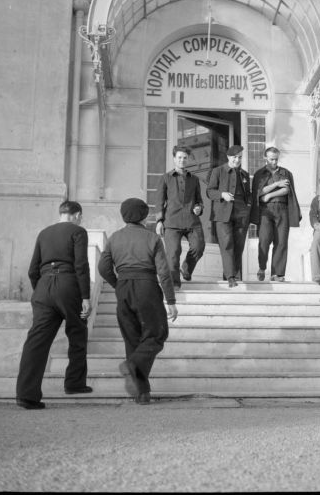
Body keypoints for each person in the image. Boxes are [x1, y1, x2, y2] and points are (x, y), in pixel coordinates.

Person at [98, 198, 178, 405]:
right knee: (158, 333)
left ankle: (142, 394)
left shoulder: (115, 238)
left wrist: (118, 285)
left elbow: (103, 268)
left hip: (124, 286)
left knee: (132, 339)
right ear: (143, 216)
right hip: (147, 286)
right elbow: (163, 271)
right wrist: (170, 300)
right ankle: (133, 365)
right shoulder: (152, 238)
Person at [16, 201, 92, 410]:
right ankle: (74, 383)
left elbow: (33, 269)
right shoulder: (78, 231)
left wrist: (41, 288)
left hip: (43, 287)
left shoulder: (44, 233)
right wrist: (85, 296)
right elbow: (81, 265)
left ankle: (26, 395)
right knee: (77, 333)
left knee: (36, 341)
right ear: (76, 215)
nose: (80, 220)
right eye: (80, 217)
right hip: (68, 285)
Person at [154, 145, 205, 291]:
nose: (182, 160)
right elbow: (158, 201)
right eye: (179, 157)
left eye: (185, 158)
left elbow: (199, 200)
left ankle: (186, 269)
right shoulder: (165, 178)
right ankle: (174, 283)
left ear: (188, 159)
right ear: (174, 159)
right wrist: (159, 221)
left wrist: (199, 208)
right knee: (173, 253)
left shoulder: (194, 179)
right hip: (172, 221)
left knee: (199, 247)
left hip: (192, 221)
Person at [250, 146, 301, 282]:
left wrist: (269, 195)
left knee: (281, 242)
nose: (274, 162)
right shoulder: (259, 174)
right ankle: (262, 267)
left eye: (276, 159)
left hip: (282, 209)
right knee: (264, 240)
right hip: (265, 211)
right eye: (271, 159)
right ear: (265, 158)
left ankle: (277, 274)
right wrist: (276, 184)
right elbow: (259, 192)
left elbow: (286, 190)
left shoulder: (286, 172)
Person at [207, 145, 252, 288]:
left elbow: (248, 195)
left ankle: (230, 273)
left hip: (241, 214)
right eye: (235, 157)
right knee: (227, 244)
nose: (237, 160)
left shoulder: (244, 174)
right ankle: (231, 277)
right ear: (228, 157)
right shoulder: (218, 171)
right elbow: (209, 191)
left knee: (238, 246)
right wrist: (222, 194)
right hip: (222, 214)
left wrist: (249, 207)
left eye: (240, 157)